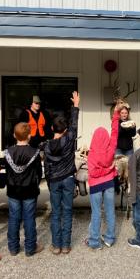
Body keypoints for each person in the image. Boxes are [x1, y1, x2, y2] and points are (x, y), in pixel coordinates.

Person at [42, 91, 80, 255]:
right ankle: (66, 245)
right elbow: (74, 124)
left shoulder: (46, 145)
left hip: (55, 181)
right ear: (65, 129)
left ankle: (56, 245)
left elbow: (46, 166)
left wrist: (50, 182)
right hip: (69, 179)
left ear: (52, 128)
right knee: (68, 211)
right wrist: (76, 106)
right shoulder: (70, 138)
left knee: (56, 212)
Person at [3, 122, 44, 257]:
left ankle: (13, 248)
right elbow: (39, 172)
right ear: (30, 136)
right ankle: (30, 248)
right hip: (30, 190)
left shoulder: (8, 152)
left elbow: (7, 171)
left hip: (13, 190)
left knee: (14, 218)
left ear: (14, 135)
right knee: (29, 218)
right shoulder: (35, 152)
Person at [85, 103, 122, 250]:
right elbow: (115, 132)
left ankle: (94, 241)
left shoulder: (92, 153)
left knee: (96, 213)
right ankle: (109, 239)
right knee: (110, 211)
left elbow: (93, 173)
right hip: (108, 183)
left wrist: (105, 170)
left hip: (95, 185)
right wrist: (116, 114)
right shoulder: (111, 147)